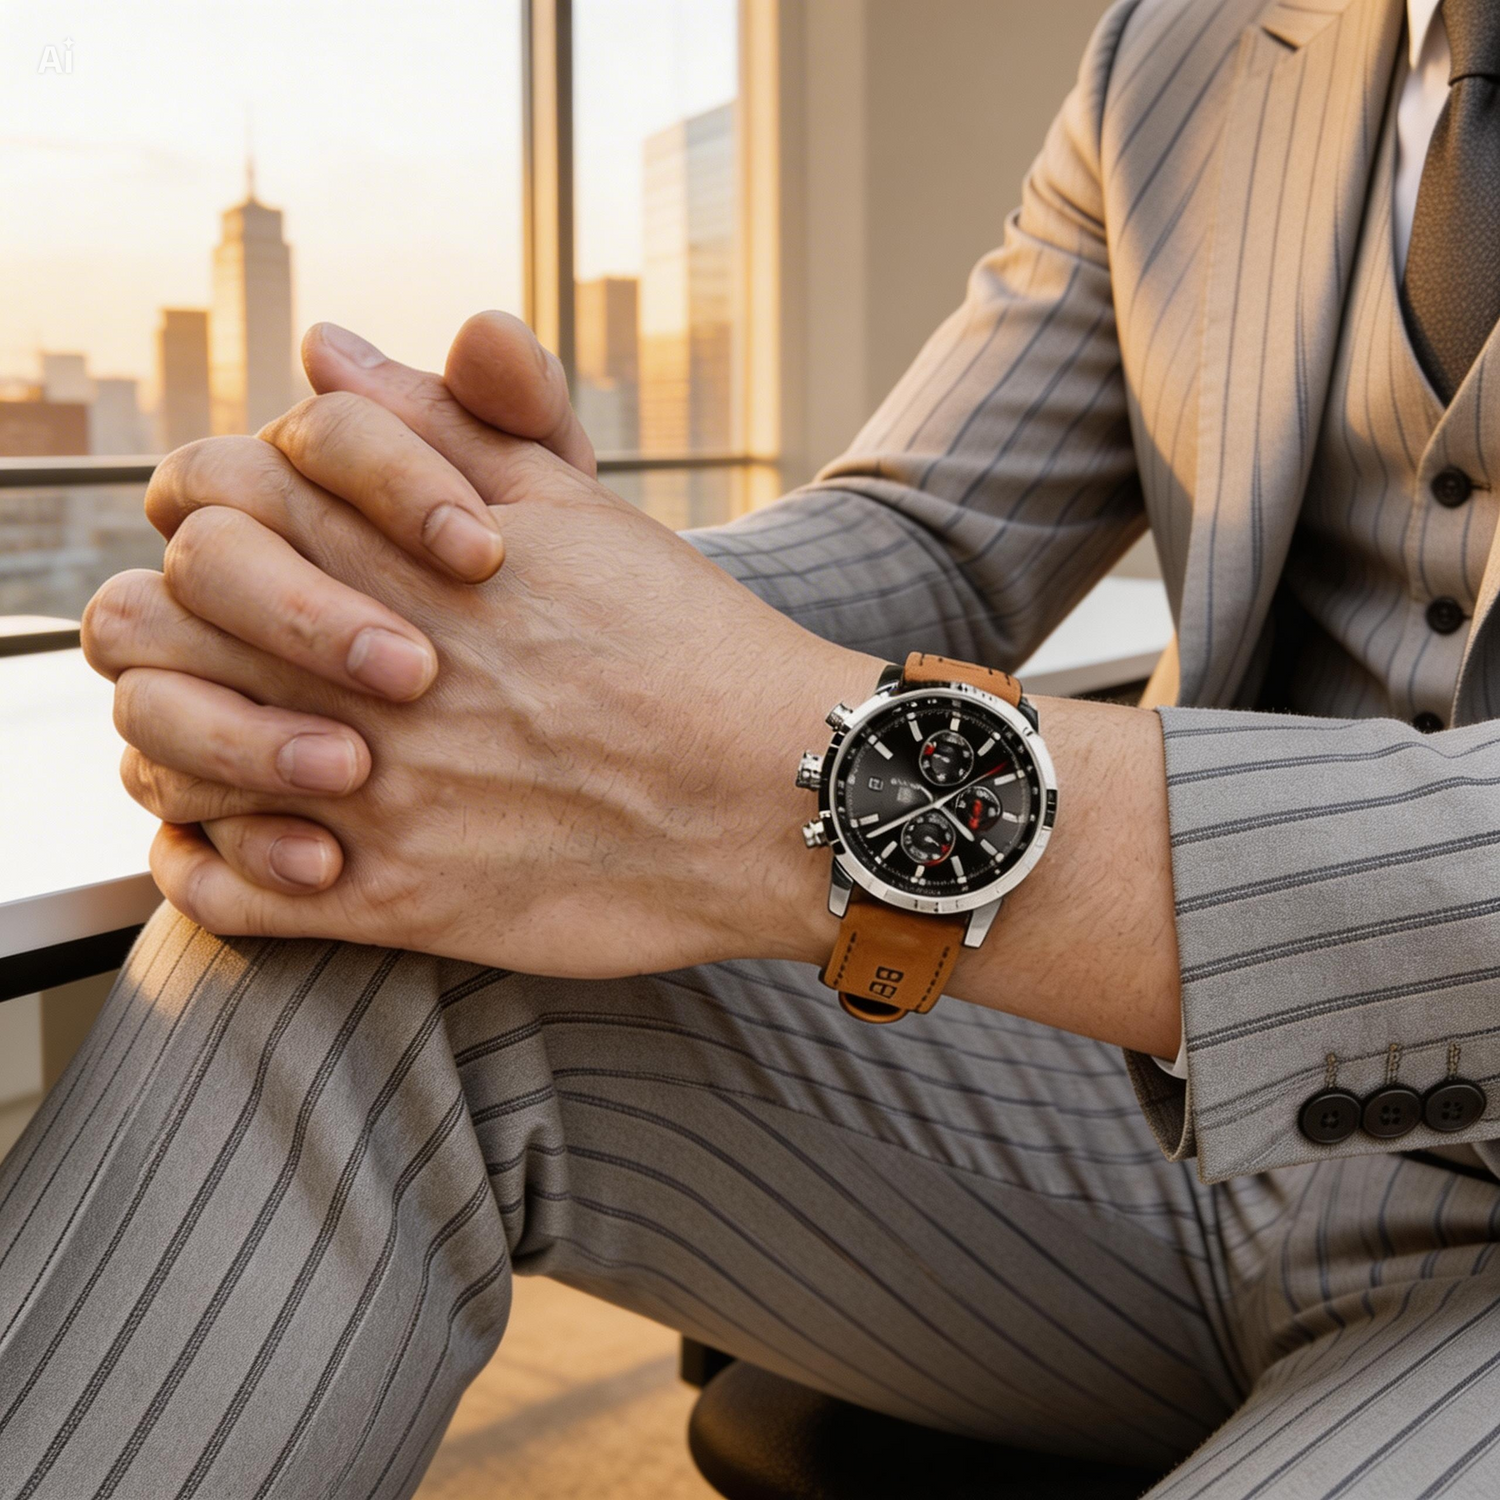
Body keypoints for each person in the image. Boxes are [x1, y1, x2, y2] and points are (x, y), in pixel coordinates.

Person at [5, 0, 1500, 1493]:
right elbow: (934, 532)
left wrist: (749, 767)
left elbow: (768, 752)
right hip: (1170, 1144)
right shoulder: (1184, 51)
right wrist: (509, 610)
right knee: (359, 911)